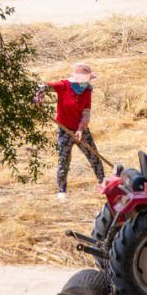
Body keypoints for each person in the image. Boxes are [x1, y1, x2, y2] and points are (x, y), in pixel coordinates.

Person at [33, 62, 105, 199]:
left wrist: (80, 129)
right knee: (64, 160)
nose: (86, 83)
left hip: (80, 130)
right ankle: (62, 191)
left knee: (94, 156)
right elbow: (41, 87)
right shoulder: (63, 86)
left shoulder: (87, 90)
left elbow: (86, 112)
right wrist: (38, 100)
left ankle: (104, 184)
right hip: (65, 129)